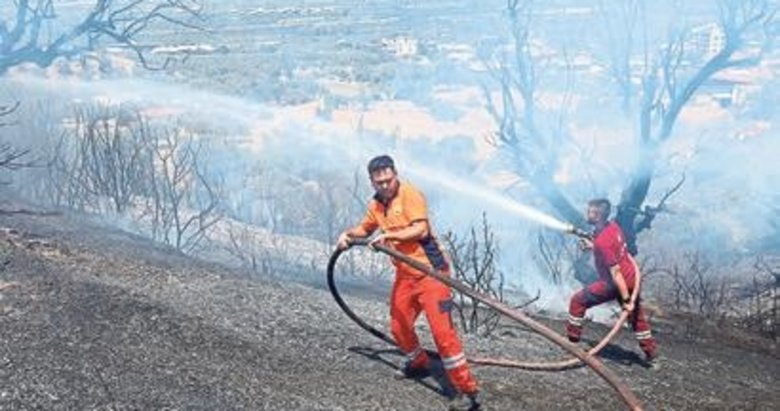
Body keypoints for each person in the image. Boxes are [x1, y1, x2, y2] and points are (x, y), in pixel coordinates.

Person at [337, 155, 481, 410]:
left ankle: (466, 391)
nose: (385, 185)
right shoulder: (376, 205)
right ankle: (419, 363)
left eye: (388, 180)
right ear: (372, 182)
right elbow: (365, 229)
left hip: (431, 274)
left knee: (443, 335)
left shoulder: (410, 194)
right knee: (399, 325)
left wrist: (389, 235)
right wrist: (347, 235)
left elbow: (420, 230)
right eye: (379, 182)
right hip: (405, 275)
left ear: (395, 175)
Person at [566, 198, 658, 365]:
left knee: (577, 301)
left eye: (591, 212)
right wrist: (593, 246)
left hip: (615, 283)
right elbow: (612, 247)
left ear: (599, 216)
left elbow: (615, 272)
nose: (587, 214)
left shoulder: (603, 242)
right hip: (630, 277)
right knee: (636, 317)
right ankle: (650, 352)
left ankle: (572, 342)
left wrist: (627, 300)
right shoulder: (613, 227)